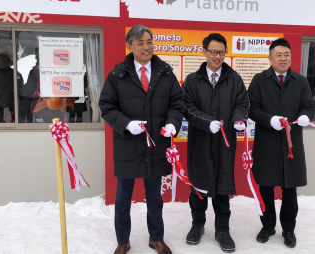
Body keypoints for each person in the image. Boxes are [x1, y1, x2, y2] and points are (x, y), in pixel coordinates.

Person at [99, 25, 184, 254]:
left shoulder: (165, 72)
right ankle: (122, 241)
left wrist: (172, 124)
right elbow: (106, 106)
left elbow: (177, 103)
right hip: (128, 144)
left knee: (154, 197)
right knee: (123, 198)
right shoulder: (118, 74)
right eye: (140, 43)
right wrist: (126, 124)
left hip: (156, 144)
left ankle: (156, 238)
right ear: (129, 46)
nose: (147, 47)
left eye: (149, 42)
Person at [182, 33, 249, 252]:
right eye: (213, 51)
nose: (217, 56)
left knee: (222, 188)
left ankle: (222, 230)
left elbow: (242, 103)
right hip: (200, 141)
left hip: (224, 142)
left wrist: (239, 119)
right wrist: (207, 122)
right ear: (204, 52)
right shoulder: (192, 80)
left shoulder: (234, 78)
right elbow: (187, 108)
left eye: (221, 52)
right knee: (198, 188)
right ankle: (197, 225)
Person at [248, 38, 315, 249]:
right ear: (270, 58)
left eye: (286, 54)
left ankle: (288, 229)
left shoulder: (300, 81)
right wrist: (270, 120)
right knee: (265, 188)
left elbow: (309, 106)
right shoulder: (259, 80)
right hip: (266, 144)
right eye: (278, 55)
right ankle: (267, 226)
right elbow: (252, 109)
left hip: (291, 145)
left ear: (291, 57)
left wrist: (305, 116)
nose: (283, 58)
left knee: (290, 190)